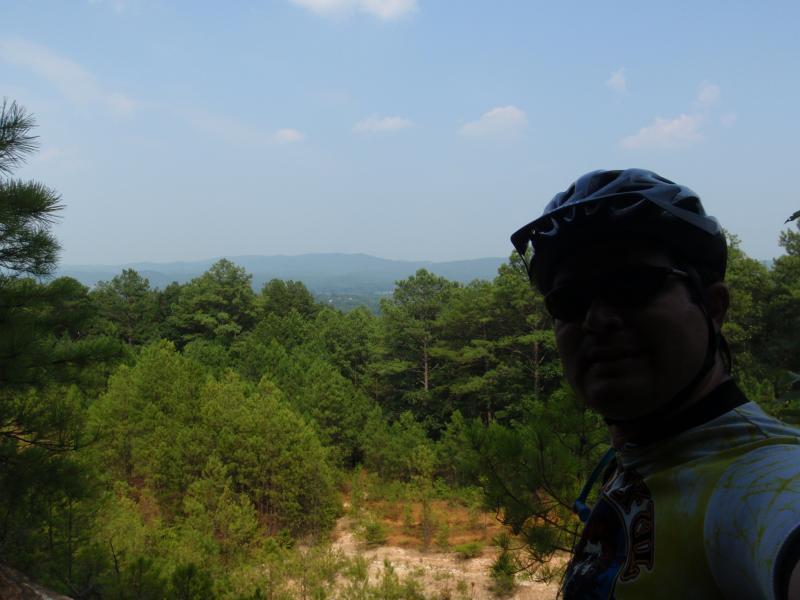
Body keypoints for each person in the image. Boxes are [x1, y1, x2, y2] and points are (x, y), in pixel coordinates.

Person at [510, 169, 800, 599]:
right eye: (569, 300)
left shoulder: (760, 481)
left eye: (633, 285)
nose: (596, 319)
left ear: (713, 307)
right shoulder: (647, 456)